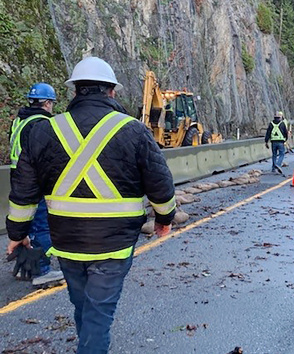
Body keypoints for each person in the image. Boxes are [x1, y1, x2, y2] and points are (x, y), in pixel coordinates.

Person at [6, 57, 176, 354]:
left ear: (74, 92)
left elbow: (23, 191)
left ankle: (89, 344)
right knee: (98, 313)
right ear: (112, 92)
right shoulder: (133, 130)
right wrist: (165, 217)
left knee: (83, 304)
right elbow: (160, 183)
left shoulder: (45, 131)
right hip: (115, 244)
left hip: (67, 241)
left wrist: (17, 233)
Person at [9, 82, 65, 287]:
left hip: (18, 178)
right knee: (42, 225)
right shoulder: (41, 124)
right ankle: (42, 271)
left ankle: (26, 267)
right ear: (48, 103)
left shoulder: (20, 121)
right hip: (35, 181)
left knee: (26, 224)